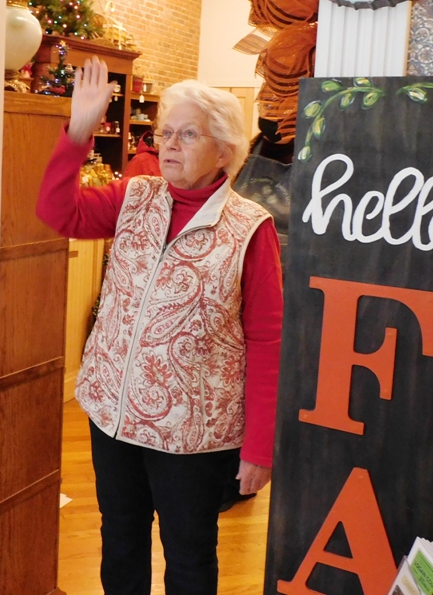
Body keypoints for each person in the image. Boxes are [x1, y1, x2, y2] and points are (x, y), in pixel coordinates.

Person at [36, 56, 283, 595]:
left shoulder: (250, 228)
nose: (170, 144)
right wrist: (78, 133)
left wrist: (259, 447)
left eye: (187, 134)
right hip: (112, 414)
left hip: (193, 434)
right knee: (120, 538)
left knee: (189, 554)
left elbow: (268, 341)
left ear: (225, 149)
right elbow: (58, 213)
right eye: (165, 132)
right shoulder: (135, 195)